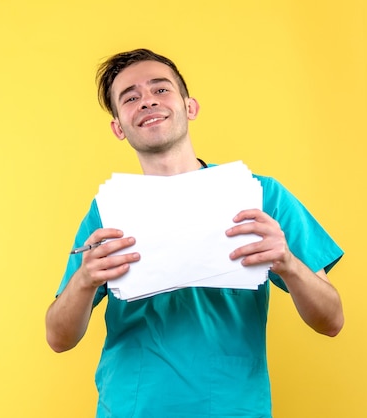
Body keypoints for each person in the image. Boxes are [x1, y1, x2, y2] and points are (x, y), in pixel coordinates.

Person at [45, 48, 344, 417]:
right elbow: (58, 338)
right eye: (131, 97)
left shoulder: (261, 196)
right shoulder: (108, 211)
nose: (147, 101)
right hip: (131, 408)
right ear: (118, 127)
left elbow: (331, 321)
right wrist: (85, 281)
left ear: (190, 107)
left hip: (233, 408)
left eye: (160, 89)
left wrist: (289, 264)